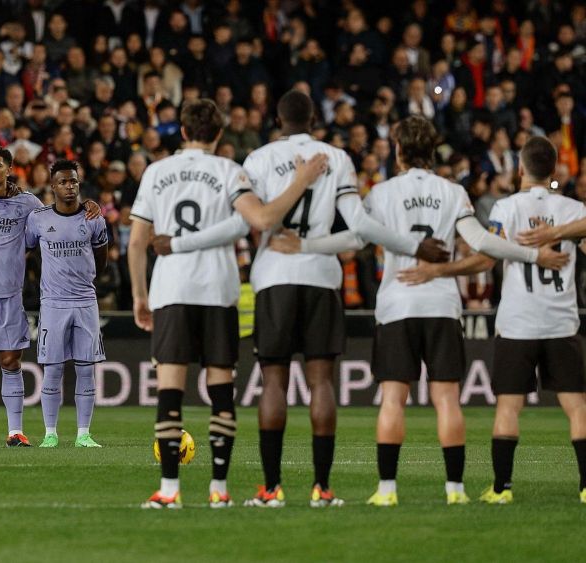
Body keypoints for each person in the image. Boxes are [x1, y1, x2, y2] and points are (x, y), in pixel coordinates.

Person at [153, 91, 450, 508]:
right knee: (321, 381)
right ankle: (322, 489)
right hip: (322, 278)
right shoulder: (337, 157)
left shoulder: (256, 159)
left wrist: (182, 243)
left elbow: (244, 224)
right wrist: (410, 247)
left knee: (273, 380)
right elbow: (360, 228)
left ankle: (270, 488)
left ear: (277, 118)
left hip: (272, 276)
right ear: (314, 119)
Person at [272, 117, 567, 506]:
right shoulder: (452, 191)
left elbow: (356, 237)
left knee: (393, 398)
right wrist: (533, 254)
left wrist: (306, 247)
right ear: (432, 150)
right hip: (442, 303)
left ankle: (387, 490)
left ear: (398, 151)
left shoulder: (382, 192)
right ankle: (456, 491)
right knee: (447, 399)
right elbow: (482, 242)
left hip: (397, 302)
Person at [128, 98, 328, 509]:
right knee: (221, 392)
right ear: (219, 134)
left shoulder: (156, 171)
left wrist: (139, 295)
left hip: (171, 289)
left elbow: (136, 241)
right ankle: (219, 489)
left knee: (170, 392)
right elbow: (261, 220)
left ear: (182, 131)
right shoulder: (229, 171)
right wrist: (300, 181)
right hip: (218, 290)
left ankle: (169, 490)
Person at [440, 137, 586, 505]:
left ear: (520, 169)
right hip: (561, 321)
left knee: (508, 406)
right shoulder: (572, 209)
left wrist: (447, 269)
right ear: (554, 171)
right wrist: (560, 234)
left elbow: (489, 256)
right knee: (578, 406)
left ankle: (502, 489)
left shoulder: (505, 207)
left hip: (517, 321)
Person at [0, 146, 99, 448]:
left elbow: (57, 215)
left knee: (11, 360)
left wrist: (87, 205)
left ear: (10, 169)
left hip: (10, 296)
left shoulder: (27, 203)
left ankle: (15, 431)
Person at [25, 160, 107, 448]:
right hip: (53, 303)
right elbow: (26, 250)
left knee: (86, 368)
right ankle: (50, 433)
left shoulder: (94, 218)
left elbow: (102, 257)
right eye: (63, 182)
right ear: (53, 186)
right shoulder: (38, 219)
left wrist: (89, 279)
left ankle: (83, 433)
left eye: (73, 181)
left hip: (85, 301)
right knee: (53, 368)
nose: (69, 186)